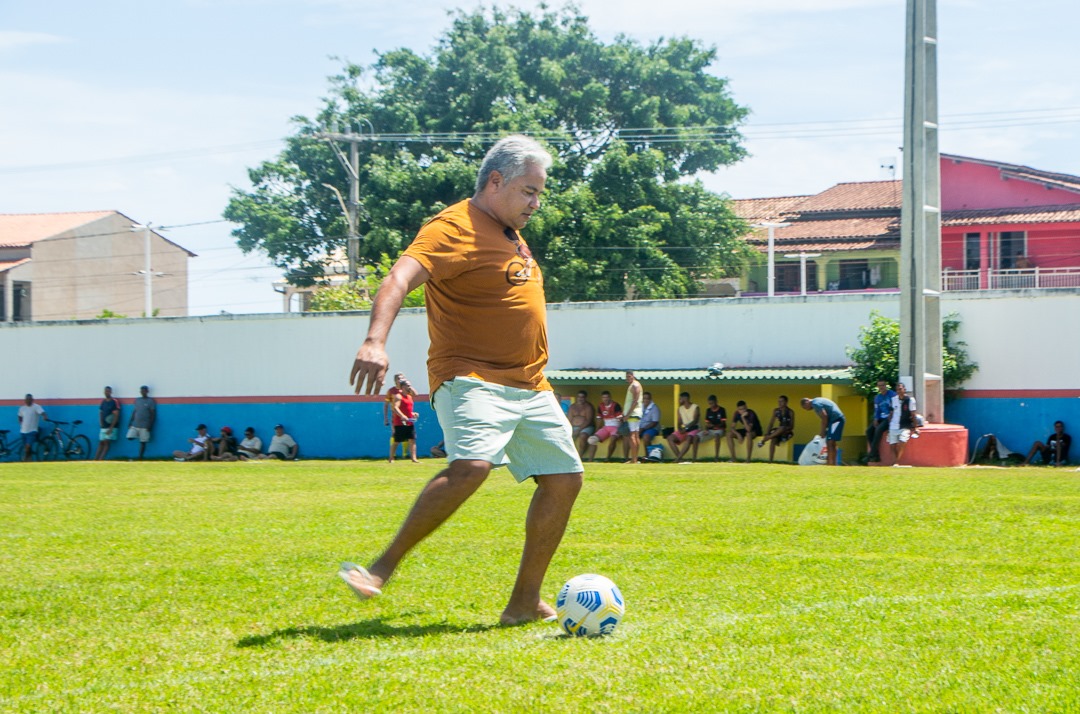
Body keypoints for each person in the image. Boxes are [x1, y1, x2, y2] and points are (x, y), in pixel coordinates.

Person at [342, 135, 583, 626]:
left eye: (540, 193)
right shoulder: (453, 227)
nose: (536, 203)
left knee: (564, 480)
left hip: (530, 383)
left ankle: (523, 603)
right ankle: (379, 569)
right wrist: (374, 341)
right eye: (529, 191)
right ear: (496, 182)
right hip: (472, 376)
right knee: (472, 465)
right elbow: (398, 278)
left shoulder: (507, 227)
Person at [801, 396, 845, 465]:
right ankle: (833, 463)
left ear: (807, 402)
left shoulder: (815, 403)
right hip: (833, 421)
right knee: (832, 442)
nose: (806, 409)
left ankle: (830, 464)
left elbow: (824, 416)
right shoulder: (817, 401)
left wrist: (822, 432)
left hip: (836, 420)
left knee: (830, 442)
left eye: (805, 407)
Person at [384, 374, 417, 460]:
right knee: (396, 441)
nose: (409, 387)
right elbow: (395, 407)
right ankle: (391, 457)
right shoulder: (398, 395)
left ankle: (413, 458)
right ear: (402, 387)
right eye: (407, 385)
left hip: (409, 422)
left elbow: (414, 396)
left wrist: (413, 414)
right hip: (399, 422)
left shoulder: (409, 396)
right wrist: (402, 416)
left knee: (412, 439)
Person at [888, 382, 920, 466]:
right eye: (897, 390)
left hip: (905, 425)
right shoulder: (893, 399)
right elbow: (891, 413)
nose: (899, 391)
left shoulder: (910, 400)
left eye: (900, 389)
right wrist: (888, 425)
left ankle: (895, 461)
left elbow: (913, 414)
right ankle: (895, 462)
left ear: (904, 390)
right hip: (893, 425)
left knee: (902, 442)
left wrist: (916, 427)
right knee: (892, 445)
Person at [585, 391, 623, 462]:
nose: (605, 399)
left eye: (607, 397)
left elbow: (620, 419)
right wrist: (596, 430)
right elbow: (599, 419)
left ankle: (607, 458)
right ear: (601, 398)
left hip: (616, 427)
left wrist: (621, 430)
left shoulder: (615, 405)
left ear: (610, 397)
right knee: (591, 440)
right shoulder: (600, 406)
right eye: (604, 397)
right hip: (606, 427)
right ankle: (590, 460)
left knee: (613, 438)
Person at [864, 380, 895, 463]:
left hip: (890, 418)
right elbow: (877, 410)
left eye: (882, 385)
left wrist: (891, 415)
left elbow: (895, 407)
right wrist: (875, 418)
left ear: (886, 385)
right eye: (879, 386)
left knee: (879, 430)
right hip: (881, 417)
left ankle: (871, 454)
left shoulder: (892, 394)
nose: (881, 387)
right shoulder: (877, 398)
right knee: (869, 431)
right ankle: (876, 455)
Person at [759, 395, 796, 463]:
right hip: (778, 431)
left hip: (786, 432)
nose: (779, 403)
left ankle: (764, 440)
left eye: (781, 401)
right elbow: (771, 423)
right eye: (779, 401)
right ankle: (770, 460)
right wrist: (767, 433)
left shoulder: (790, 412)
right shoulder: (776, 411)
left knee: (782, 427)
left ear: (786, 402)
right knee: (773, 439)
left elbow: (792, 426)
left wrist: (783, 429)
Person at [666, 391, 700, 462]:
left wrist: (687, 428)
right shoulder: (680, 409)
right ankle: (680, 458)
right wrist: (680, 429)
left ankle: (678, 459)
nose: (679, 400)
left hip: (694, 428)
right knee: (670, 438)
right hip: (684, 429)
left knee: (689, 437)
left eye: (680, 398)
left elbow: (695, 421)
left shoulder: (695, 407)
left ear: (685, 398)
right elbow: (679, 422)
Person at [126, 385, 157, 460]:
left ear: (147, 391)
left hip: (145, 425)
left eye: (144, 391)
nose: (143, 392)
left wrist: (150, 425)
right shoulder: (137, 400)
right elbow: (134, 411)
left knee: (143, 442)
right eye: (141, 391)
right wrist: (130, 421)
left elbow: (153, 414)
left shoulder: (150, 401)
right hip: (135, 424)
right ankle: (138, 435)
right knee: (129, 437)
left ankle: (140, 457)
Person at [695, 395, 727, 461]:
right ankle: (694, 458)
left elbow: (723, 423)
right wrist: (706, 430)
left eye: (712, 403)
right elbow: (707, 423)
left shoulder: (722, 410)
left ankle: (716, 457)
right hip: (710, 430)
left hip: (719, 430)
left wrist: (714, 426)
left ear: (716, 402)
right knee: (696, 437)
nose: (711, 405)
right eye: (709, 404)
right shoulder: (708, 410)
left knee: (717, 435)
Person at [621, 371, 644, 463]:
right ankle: (634, 458)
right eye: (627, 376)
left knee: (632, 436)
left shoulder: (635, 385)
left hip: (633, 414)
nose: (628, 378)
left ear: (633, 376)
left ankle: (634, 459)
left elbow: (635, 401)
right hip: (633, 414)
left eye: (629, 376)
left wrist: (627, 415)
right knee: (635, 435)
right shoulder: (632, 385)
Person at [17, 393, 46, 461]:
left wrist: (44, 416)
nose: (28, 401)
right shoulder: (22, 408)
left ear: (32, 400)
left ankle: (25, 459)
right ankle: (29, 459)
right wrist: (21, 423)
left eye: (30, 399)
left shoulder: (36, 407)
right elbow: (19, 416)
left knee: (28, 446)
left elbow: (42, 412)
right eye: (27, 399)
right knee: (26, 447)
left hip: (32, 430)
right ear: (25, 400)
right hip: (23, 431)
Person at [95, 386, 121, 461]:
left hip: (111, 427)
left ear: (111, 392)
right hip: (104, 426)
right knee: (101, 442)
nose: (107, 392)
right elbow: (100, 412)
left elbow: (116, 415)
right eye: (106, 391)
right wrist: (100, 422)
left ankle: (101, 459)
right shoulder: (103, 402)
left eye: (109, 391)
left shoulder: (114, 401)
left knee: (107, 442)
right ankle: (95, 459)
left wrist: (111, 428)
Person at [568, 390, 596, 456]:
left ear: (585, 398)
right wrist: (570, 429)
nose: (580, 399)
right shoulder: (572, 406)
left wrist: (579, 430)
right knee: (569, 436)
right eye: (579, 397)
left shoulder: (588, 407)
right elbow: (569, 419)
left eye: (582, 397)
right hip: (573, 427)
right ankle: (570, 455)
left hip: (586, 427)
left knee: (583, 436)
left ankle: (580, 456)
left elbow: (588, 420)